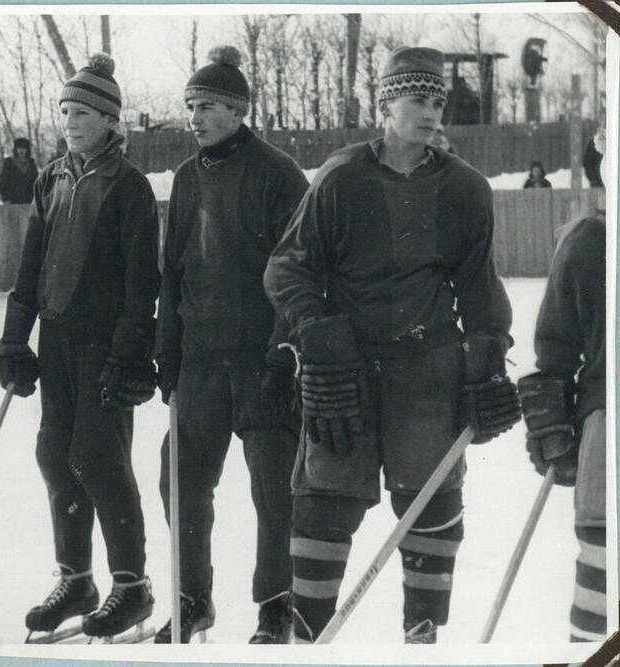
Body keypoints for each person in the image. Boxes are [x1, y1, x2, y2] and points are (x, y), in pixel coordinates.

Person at [264, 47, 521, 644]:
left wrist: (486, 363)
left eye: (438, 102)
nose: (432, 113)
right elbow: (286, 269)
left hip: (427, 369)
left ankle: (422, 640)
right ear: (385, 105)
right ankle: (309, 641)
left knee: (430, 504)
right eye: (417, 100)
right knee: (325, 502)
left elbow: (479, 285)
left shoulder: (466, 189)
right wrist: (318, 334)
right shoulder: (341, 177)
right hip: (343, 372)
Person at [0, 54, 160, 642]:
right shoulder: (50, 178)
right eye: (65, 110)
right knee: (54, 453)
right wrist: (15, 337)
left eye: (83, 112)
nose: (70, 121)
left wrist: (130, 352)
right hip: (57, 336)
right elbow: (31, 265)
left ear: (111, 121)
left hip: (105, 343)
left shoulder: (130, 188)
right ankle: (77, 578)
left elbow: (144, 283)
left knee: (97, 455)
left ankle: (132, 585)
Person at [153, 45, 308, 645]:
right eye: (191, 106)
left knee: (273, 486)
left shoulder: (277, 172)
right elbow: (174, 270)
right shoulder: (188, 177)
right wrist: (169, 349)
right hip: (201, 360)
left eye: (210, 106)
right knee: (181, 480)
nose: (196, 117)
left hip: (262, 359)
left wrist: (283, 352)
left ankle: (276, 605)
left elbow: (300, 269)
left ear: (240, 110)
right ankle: (192, 599)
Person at [518, 127, 608, 643]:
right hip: (608, 422)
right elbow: (555, 345)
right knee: (601, 565)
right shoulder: (588, 240)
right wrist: (550, 419)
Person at [0, 137, 39, 204]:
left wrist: (35, 198)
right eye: (19, 148)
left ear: (27, 150)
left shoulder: (32, 165)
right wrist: (5, 199)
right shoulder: (8, 163)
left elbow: (36, 184)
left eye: (24, 148)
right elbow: (3, 183)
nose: (21, 151)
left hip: (28, 201)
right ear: (15, 149)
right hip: (12, 201)